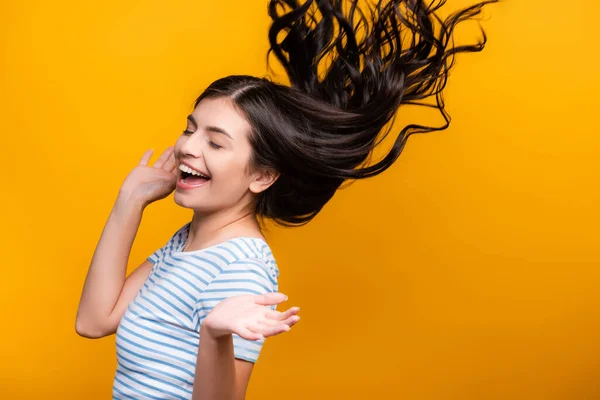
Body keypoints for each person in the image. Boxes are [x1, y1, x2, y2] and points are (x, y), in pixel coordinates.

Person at [75, 0, 497, 398]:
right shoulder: (187, 244)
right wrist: (129, 200)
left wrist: (215, 334)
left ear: (261, 175)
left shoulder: (240, 267)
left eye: (215, 143)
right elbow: (94, 322)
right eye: (191, 129)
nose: (188, 147)